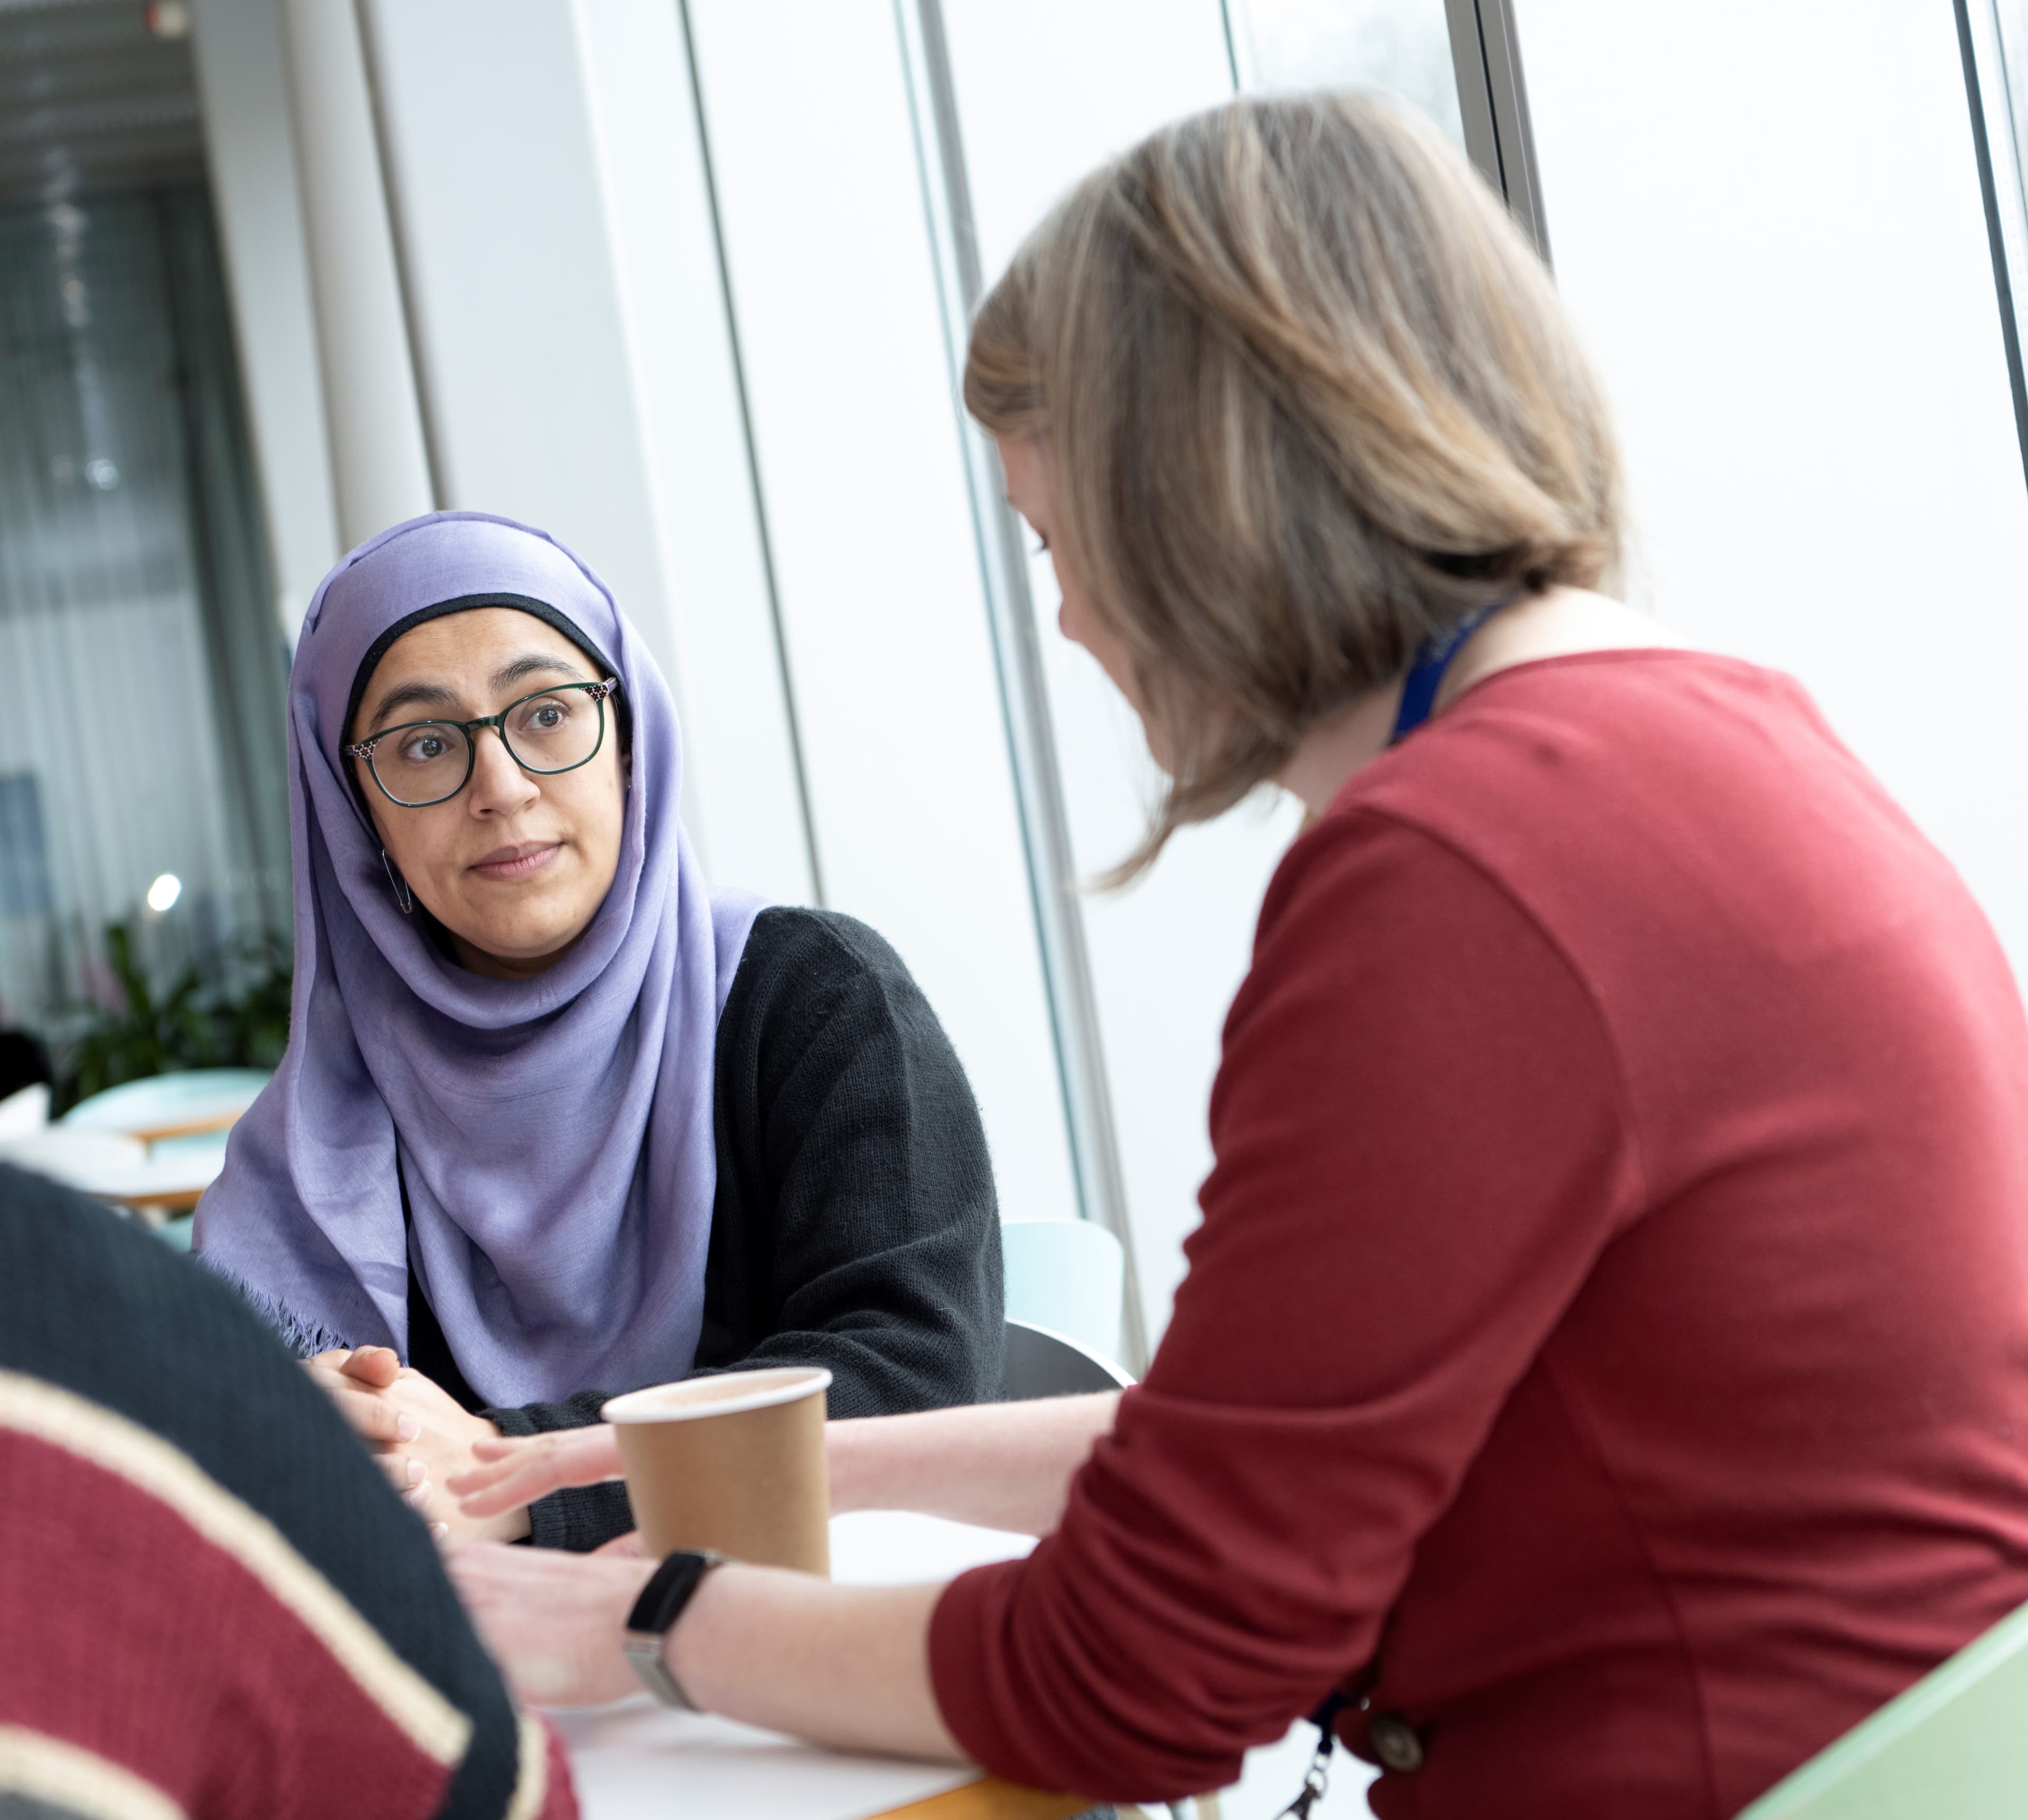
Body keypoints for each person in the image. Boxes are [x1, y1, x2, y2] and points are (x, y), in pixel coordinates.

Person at [443, 92, 2028, 1819]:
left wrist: (651, 1618)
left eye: (1057, 540)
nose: (1064, 617)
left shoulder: (1460, 875)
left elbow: (1137, 1680)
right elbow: (1234, 1457)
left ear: (1196, 501)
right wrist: (696, 1465)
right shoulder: (1708, 746)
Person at [193, 511, 1001, 1550]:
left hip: (814, 1657)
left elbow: (920, 1378)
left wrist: (519, 1475)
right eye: (425, 744)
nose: (502, 788)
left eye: (545, 714)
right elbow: (211, 1471)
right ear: (356, 818)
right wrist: (302, 1427)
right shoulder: (317, 1142)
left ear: (629, 742)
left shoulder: (816, 1005)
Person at [0, 1162, 576, 1819]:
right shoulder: (282, 1158)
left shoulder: (718, 1074)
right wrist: (293, 1419)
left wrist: (520, 1470)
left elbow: (722, 1439)